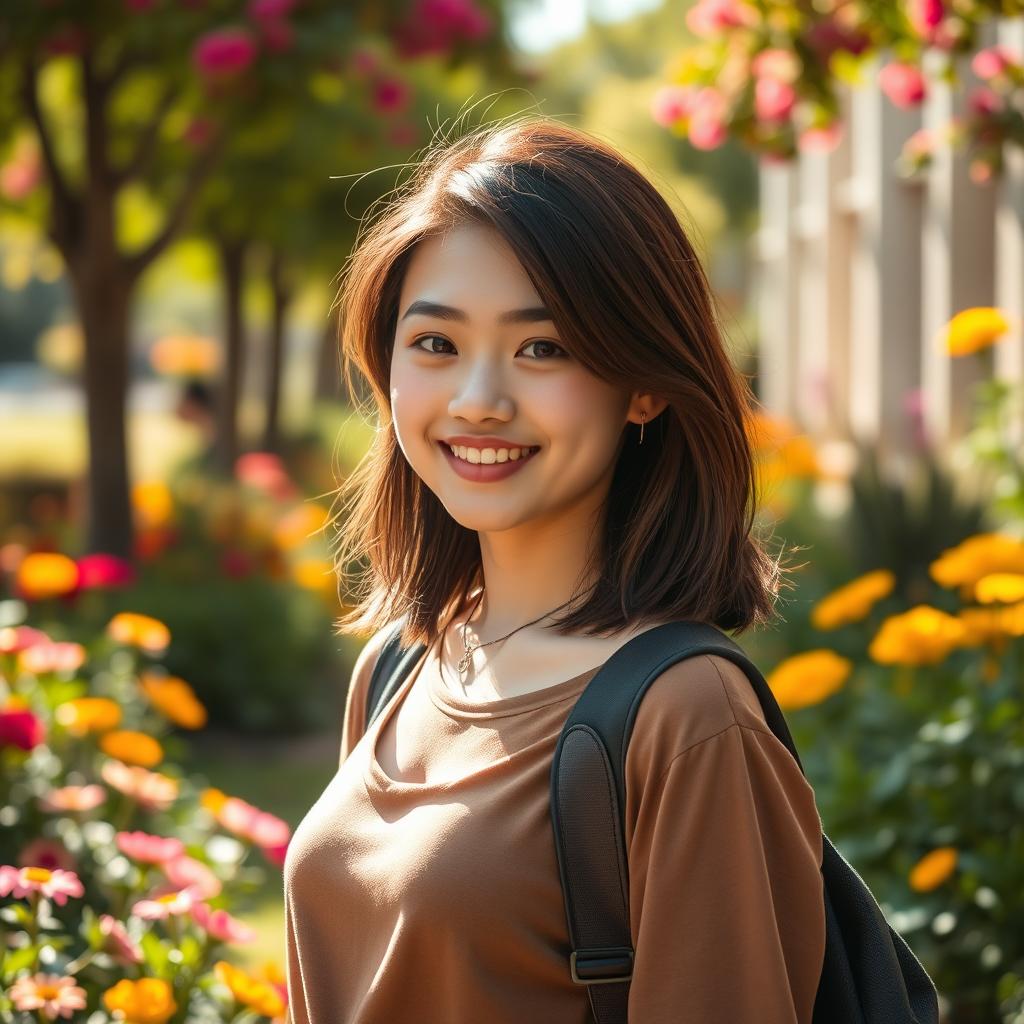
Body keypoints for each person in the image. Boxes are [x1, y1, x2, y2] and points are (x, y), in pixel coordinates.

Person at [282, 115, 825, 1023]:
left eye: (545, 348)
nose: (479, 401)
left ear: (645, 382)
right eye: (436, 344)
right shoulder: (396, 670)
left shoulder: (686, 718)